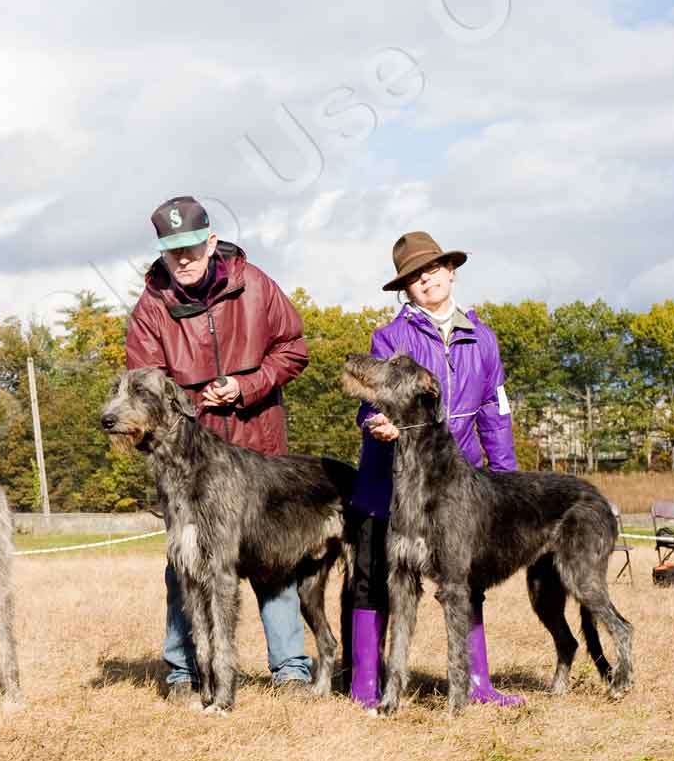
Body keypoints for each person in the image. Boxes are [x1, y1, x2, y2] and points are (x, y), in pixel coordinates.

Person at [125, 196, 312, 700]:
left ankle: (291, 667)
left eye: (189, 248)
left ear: (210, 242)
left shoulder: (256, 286)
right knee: (184, 561)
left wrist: (246, 385)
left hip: (258, 442)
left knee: (273, 559)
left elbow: (294, 347)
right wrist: (190, 404)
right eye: (171, 252)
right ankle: (183, 671)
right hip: (188, 462)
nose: (182, 260)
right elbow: (144, 388)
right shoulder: (151, 308)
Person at [347, 231, 522, 708]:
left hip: (456, 482)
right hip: (392, 479)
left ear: (450, 271)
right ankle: (367, 683)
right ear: (405, 288)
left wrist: (504, 480)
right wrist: (376, 422)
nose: (425, 279)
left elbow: (495, 413)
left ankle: (476, 683)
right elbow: (371, 398)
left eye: (432, 269)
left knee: (462, 576)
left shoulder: (482, 339)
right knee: (375, 574)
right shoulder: (390, 337)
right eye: (413, 276)